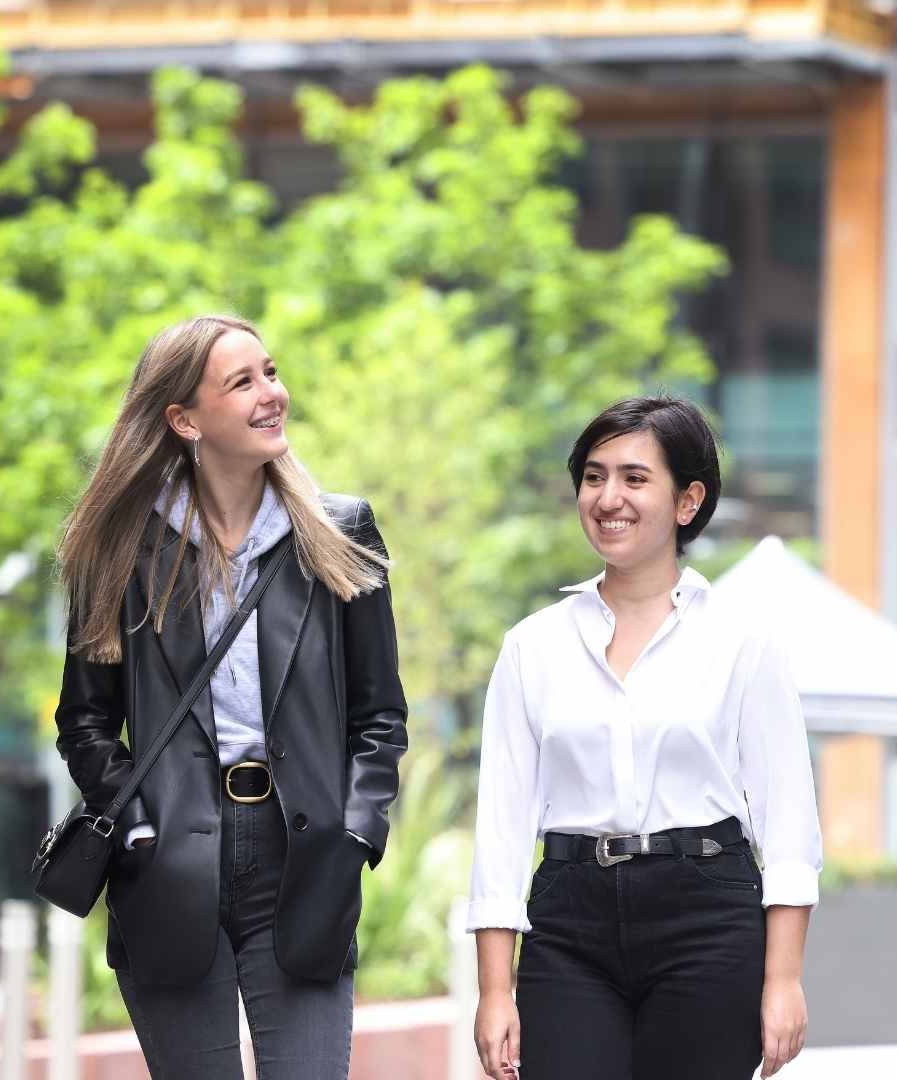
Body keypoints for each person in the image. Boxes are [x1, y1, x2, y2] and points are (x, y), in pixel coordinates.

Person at [53, 313, 408, 1078]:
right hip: (170, 864)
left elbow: (379, 715)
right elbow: (84, 721)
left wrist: (357, 834)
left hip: (306, 857)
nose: (270, 394)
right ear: (185, 419)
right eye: (242, 382)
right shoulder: (116, 545)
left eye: (270, 373)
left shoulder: (340, 531)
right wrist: (141, 830)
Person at [467, 397, 822, 1080]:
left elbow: (788, 827)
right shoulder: (533, 646)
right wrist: (493, 990)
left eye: (634, 478)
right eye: (593, 476)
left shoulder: (742, 640)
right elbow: (502, 827)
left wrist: (783, 981)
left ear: (688, 501)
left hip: (708, 915)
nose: (608, 498)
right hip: (570, 920)